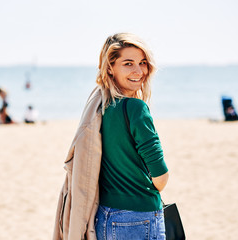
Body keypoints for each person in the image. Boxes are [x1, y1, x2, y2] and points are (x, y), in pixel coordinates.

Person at [53, 33, 169, 240]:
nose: (138, 71)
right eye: (128, 63)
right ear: (110, 67)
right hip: (139, 217)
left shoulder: (99, 106)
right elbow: (160, 177)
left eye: (142, 63)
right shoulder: (136, 108)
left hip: (104, 216)